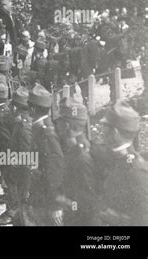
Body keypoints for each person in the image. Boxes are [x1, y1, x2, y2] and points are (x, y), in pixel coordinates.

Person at [97, 101, 148, 226]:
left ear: (114, 132)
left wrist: (118, 219)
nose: (101, 131)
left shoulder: (136, 170)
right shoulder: (115, 157)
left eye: (104, 127)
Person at [54, 97, 100, 226]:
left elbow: (87, 204)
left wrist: (63, 201)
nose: (56, 125)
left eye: (59, 122)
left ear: (66, 125)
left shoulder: (81, 158)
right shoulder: (74, 149)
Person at [25, 83, 65, 226]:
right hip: (39, 193)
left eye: (28, 104)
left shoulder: (46, 133)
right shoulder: (40, 128)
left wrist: (56, 205)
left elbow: (55, 169)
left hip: (46, 199)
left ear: (33, 108)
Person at [0, 86, 33, 226]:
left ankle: (12, 213)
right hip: (15, 157)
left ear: (17, 107)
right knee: (10, 181)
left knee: (13, 183)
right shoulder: (20, 120)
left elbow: (25, 150)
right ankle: (12, 211)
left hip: (19, 161)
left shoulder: (23, 123)